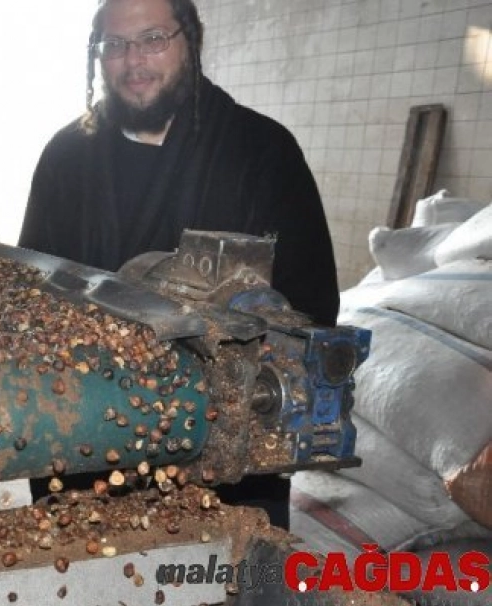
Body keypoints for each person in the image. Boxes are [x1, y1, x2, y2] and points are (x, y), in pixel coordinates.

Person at [18, 0, 341, 529]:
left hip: (226, 465)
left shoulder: (263, 153)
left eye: (153, 39)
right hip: (84, 449)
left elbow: (313, 305)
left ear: (191, 41)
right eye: (115, 44)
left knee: (226, 598)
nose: (133, 61)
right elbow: (33, 290)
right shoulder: (66, 157)